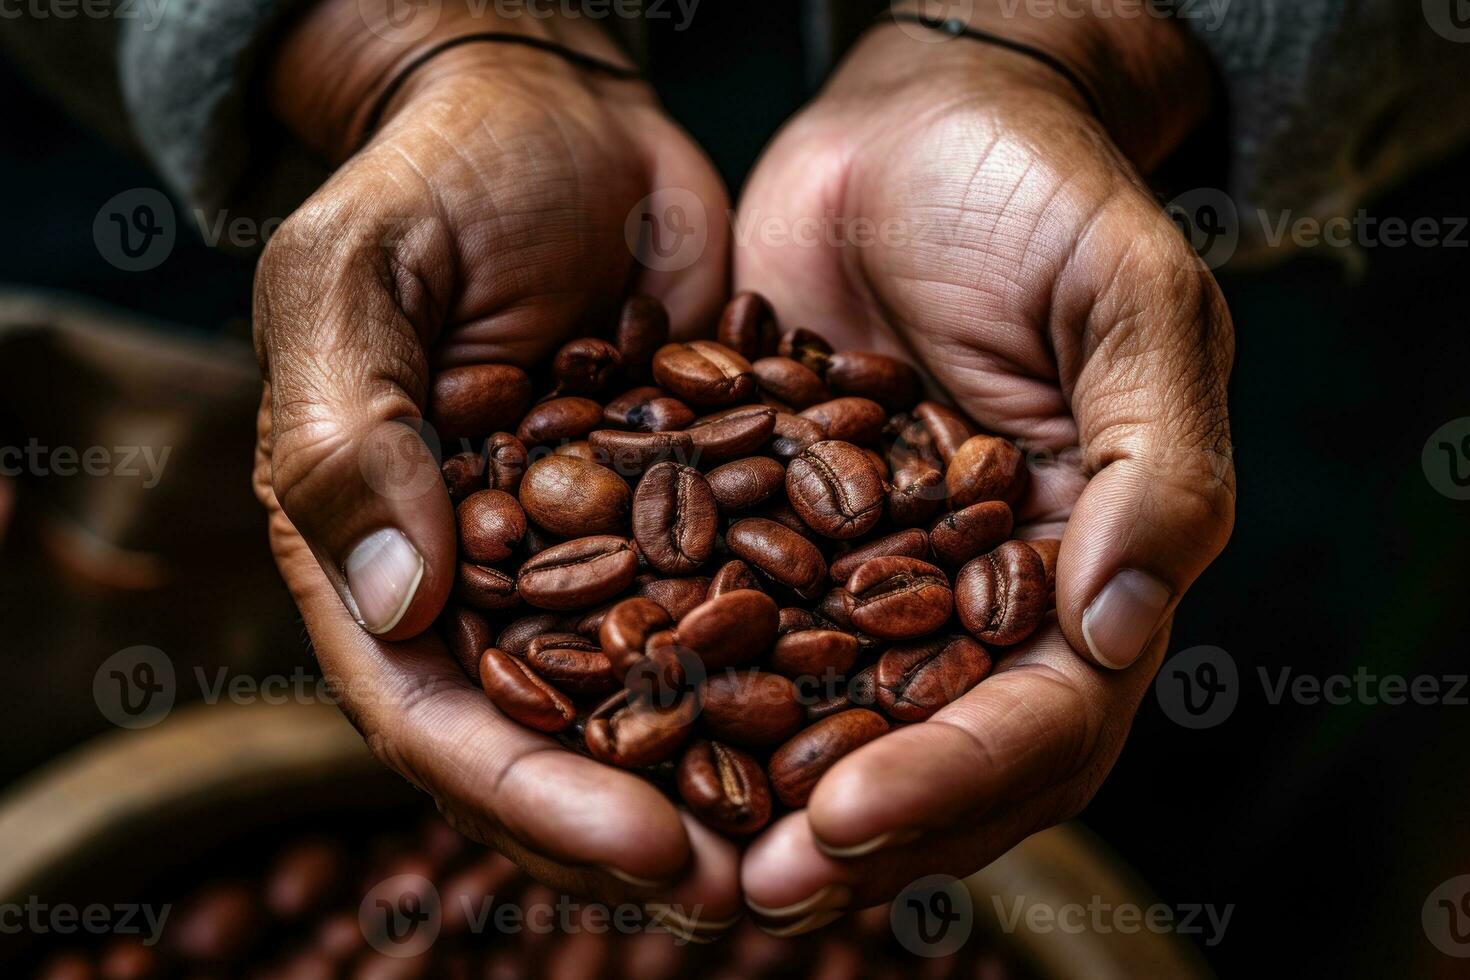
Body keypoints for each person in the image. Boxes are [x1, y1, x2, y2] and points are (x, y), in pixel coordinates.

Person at [3, 0, 1466, 941]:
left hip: (1282, 231)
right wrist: (391, 44)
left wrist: (1081, 37)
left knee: (1266, 823)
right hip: (196, 157)